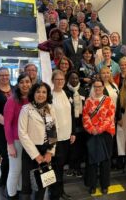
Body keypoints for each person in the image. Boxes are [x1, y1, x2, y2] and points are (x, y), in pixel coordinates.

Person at [18, 82, 58, 200]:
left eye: (44, 92)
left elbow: (54, 130)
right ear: (33, 93)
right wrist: (36, 155)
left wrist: (50, 151)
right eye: (38, 92)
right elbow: (22, 133)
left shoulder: (50, 108)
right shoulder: (26, 110)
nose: (41, 95)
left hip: (46, 150)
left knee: (43, 183)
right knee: (28, 183)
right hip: (31, 151)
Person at [82, 79, 116, 195]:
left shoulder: (108, 100)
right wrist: (92, 129)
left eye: (99, 86)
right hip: (91, 134)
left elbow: (110, 116)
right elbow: (85, 115)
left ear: (103, 87)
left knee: (105, 161)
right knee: (91, 160)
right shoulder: (88, 101)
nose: (97, 89)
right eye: (95, 87)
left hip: (105, 133)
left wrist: (99, 129)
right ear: (93, 87)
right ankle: (92, 185)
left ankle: (104, 185)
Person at [49, 70, 76, 200]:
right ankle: (54, 193)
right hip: (55, 138)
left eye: (62, 79)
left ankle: (60, 191)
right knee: (55, 166)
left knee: (61, 165)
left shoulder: (68, 93)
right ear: (52, 80)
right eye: (57, 79)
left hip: (66, 135)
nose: (60, 81)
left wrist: (73, 132)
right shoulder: (49, 95)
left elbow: (72, 114)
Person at [64, 71, 87, 177]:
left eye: (76, 78)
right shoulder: (65, 92)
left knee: (80, 147)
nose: (74, 80)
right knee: (71, 147)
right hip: (69, 123)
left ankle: (77, 168)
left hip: (81, 124)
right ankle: (71, 167)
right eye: (72, 78)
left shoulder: (83, 91)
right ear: (68, 79)